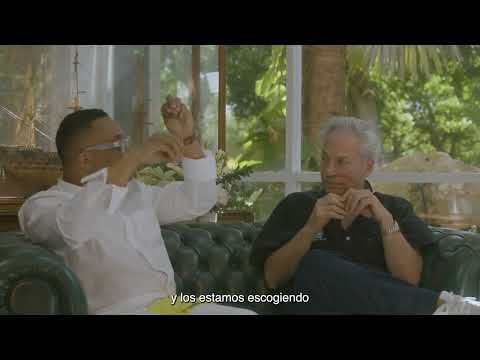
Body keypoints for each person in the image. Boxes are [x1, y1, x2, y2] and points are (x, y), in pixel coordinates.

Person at [19, 97, 255, 315]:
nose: (127, 150)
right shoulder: (42, 206)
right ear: (85, 159)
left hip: (172, 306)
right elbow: (77, 227)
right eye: (118, 145)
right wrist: (135, 157)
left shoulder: (136, 193)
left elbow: (197, 201)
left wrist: (188, 138)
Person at [250, 116, 480, 315]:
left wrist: (385, 221)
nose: (329, 170)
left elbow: (410, 279)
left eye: (341, 162)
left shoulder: (395, 209)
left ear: (368, 167)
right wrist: (310, 229)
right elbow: (272, 278)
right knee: (315, 265)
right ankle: (438, 307)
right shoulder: (297, 205)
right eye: (325, 159)